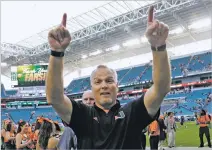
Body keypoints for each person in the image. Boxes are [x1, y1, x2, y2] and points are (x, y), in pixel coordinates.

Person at [46, 6, 171, 149]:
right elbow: (54, 97)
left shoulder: (133, 112)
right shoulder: (82, 115)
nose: (104, 85)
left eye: (109, 80)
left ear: (117, 86)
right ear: (92, 88)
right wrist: (56, 53)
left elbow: (161, 88)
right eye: (98, 82)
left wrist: (159, 47)